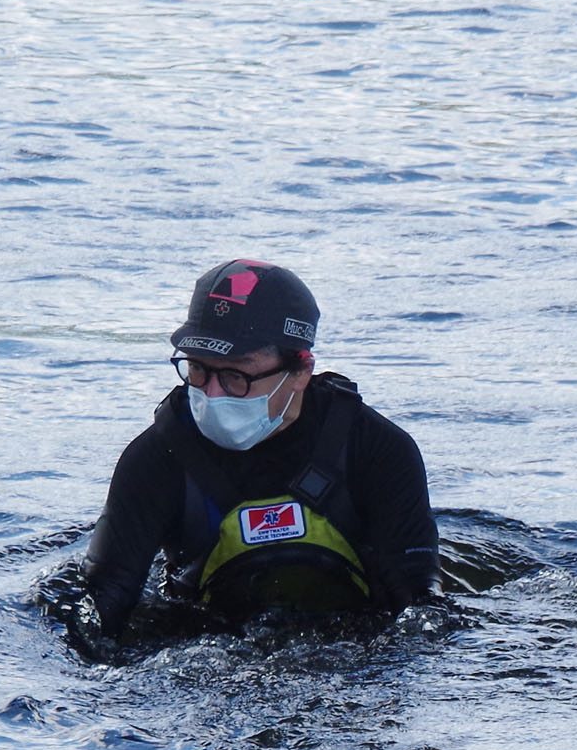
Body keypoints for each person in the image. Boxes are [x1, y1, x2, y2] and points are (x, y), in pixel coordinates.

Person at [66, 259, 439, 654]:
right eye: (197, 369)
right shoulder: (158, 458)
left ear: (300, 371)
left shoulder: (376, 450)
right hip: (205, 649)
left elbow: (419, 607)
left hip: (352, 651)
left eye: (236, 375)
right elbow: (100, 607)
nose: (212, 394)